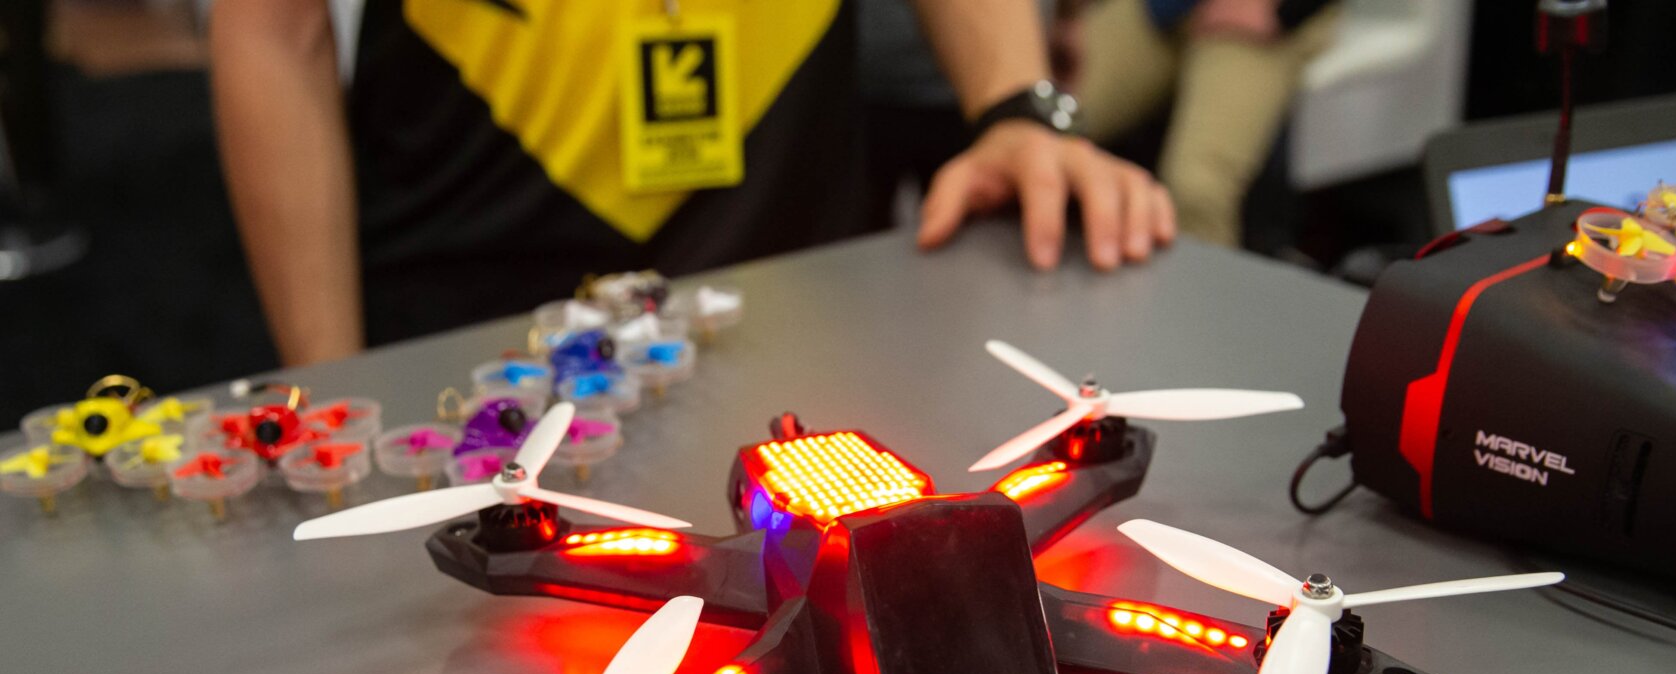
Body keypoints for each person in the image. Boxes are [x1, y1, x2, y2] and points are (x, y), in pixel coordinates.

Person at [208, 0, 1175, 367]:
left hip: (793, 295)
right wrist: (332, 379)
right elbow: (272, 27)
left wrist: (1014, 106)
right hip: (470, 314)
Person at [1069, 0, 1340, 248]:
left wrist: (1287, 13)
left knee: (1197, 190)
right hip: (1155, 8)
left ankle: (1198, 285)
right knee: (1051, 127)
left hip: (1258, 12)